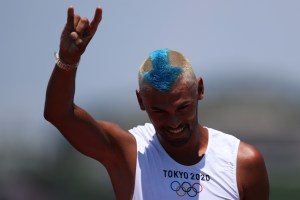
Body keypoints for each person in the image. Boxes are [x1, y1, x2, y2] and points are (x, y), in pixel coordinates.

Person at [44, 6, 269, 200]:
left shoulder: (242, 164)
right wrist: (67, 60)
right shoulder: (128, 153)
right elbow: (59, 115)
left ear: (200, 90)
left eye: (183, 107)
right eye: (159, 111)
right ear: (141, 101)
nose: (173, 122)